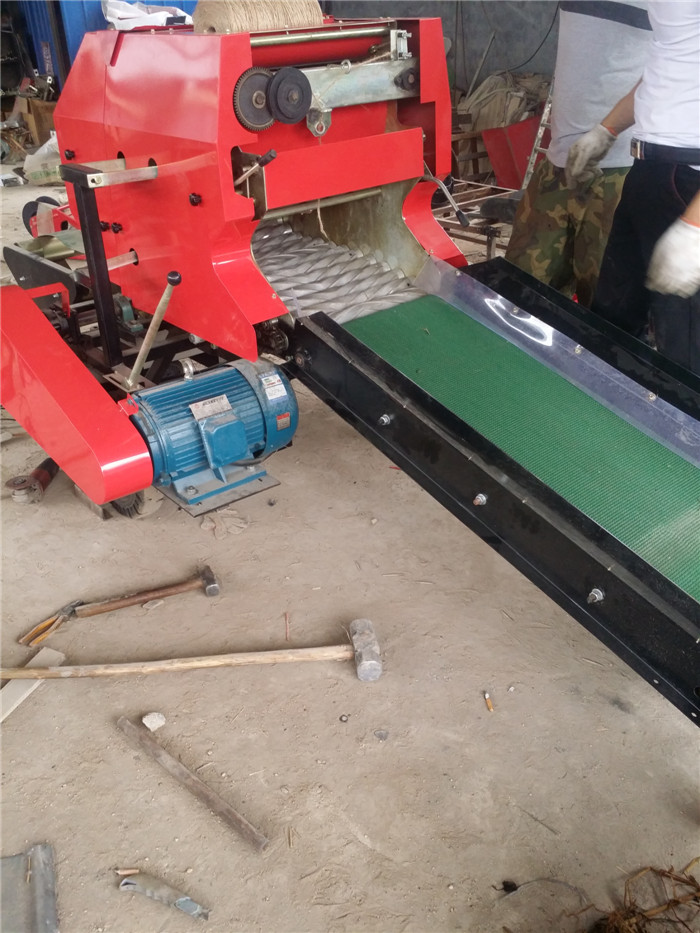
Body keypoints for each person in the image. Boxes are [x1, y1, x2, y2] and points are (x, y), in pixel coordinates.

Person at [566, 0, 700, 375]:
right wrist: (606, 129)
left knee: (685, 350)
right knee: (613, 319)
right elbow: (668, 66)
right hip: (647, 172)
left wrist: (694, 227)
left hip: (689, 181)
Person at [505, 1, 652, 308]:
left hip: (619, 171)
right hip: (558, 161)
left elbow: (679, 68)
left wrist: (607, 133)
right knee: (518, 294)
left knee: (606, 312)